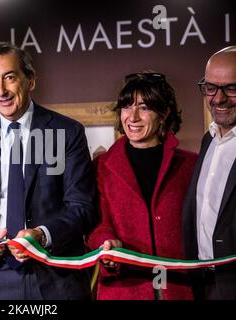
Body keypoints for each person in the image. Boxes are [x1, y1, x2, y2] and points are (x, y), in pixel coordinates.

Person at [0, 42, 97, 300]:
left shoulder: (67, 133)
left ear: (30, 80)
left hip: (54, 273)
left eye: (10, 77)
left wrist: (42, 235)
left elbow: (82, 206)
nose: (1, 90)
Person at [87, 72, 197, 300]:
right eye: (127, 106)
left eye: (144, 107)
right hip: (124, 288)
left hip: (179, 288)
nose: (133, 117)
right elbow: (96, 224)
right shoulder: (101, 166)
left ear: (164, 113)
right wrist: (105, 243)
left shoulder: (191, 165)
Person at [183, 46, 236, 300]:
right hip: (205, 282)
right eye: (211, 88)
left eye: (231, 88)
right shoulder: (209, 140)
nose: (218, 98)